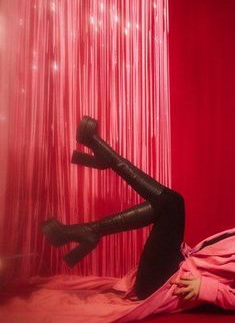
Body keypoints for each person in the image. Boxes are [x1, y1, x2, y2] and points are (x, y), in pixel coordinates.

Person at [41, 116, 235, 310]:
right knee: (168, 204)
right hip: (174, 268)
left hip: (169, 285)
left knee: (172, 204)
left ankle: (92, 222)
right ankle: (90, 227)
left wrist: (208, 288)